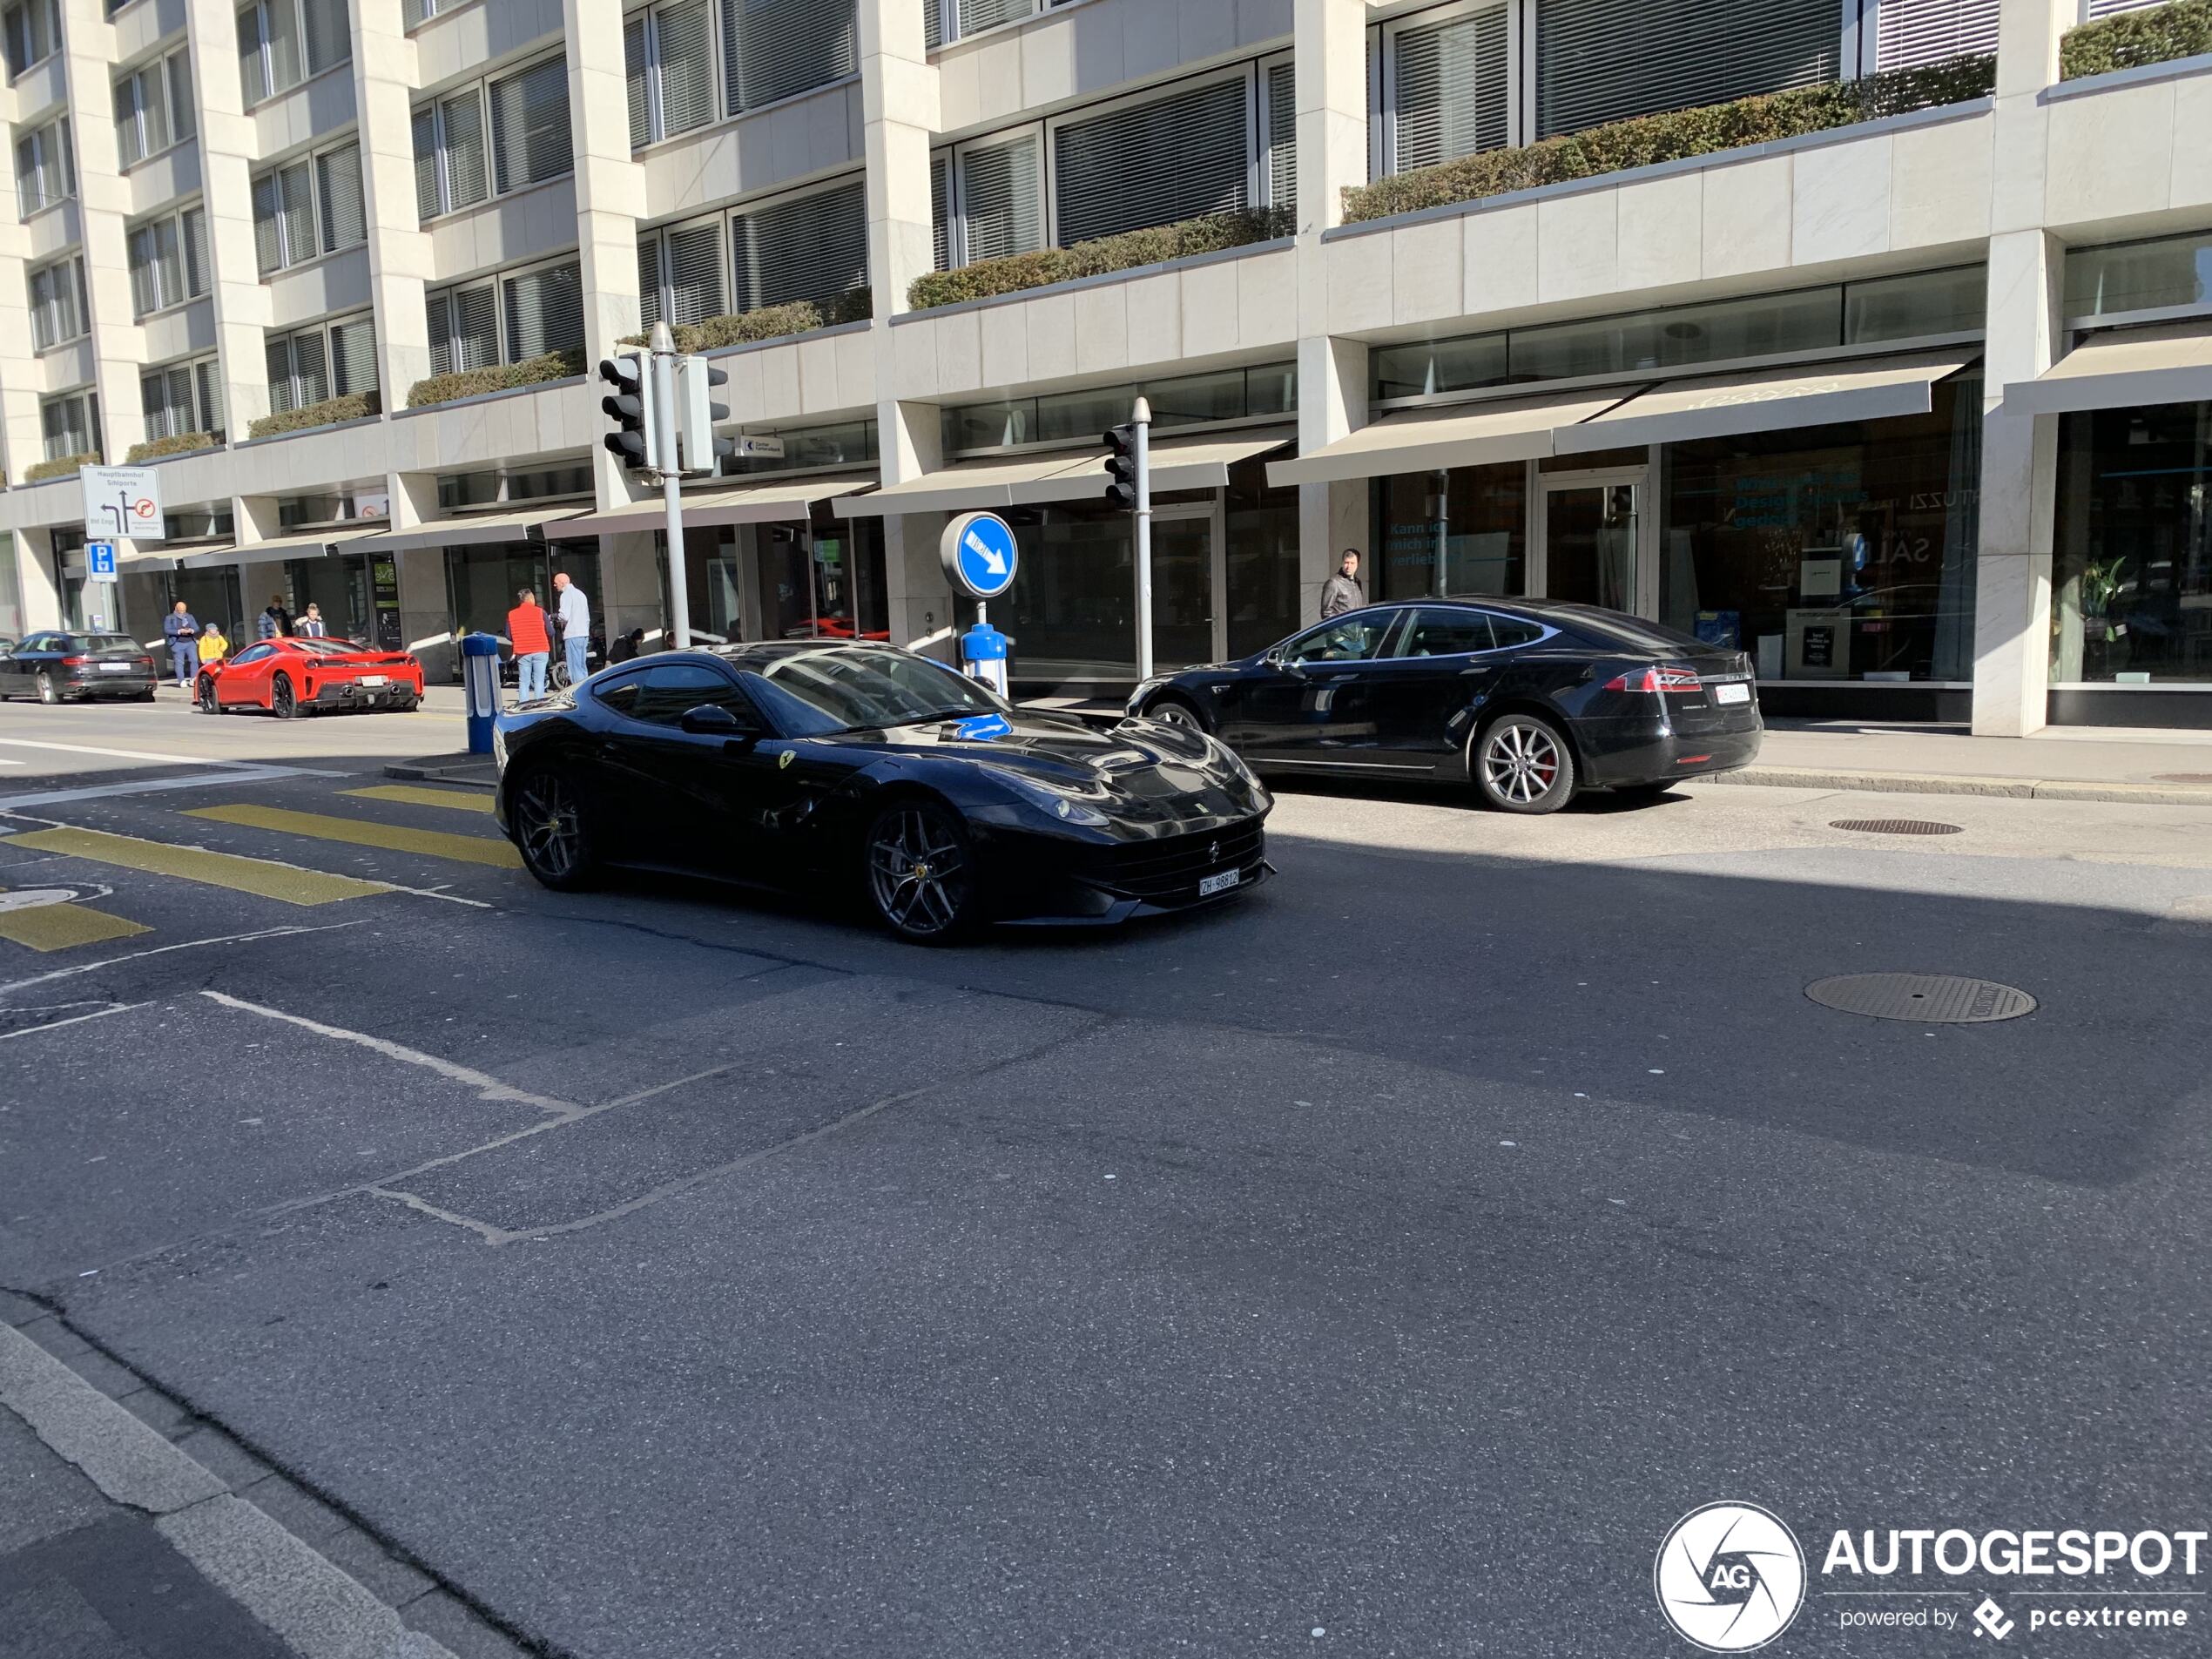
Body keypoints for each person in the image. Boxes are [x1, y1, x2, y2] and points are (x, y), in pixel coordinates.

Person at [506, 586, 552, 702]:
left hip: (522, 651)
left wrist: (519, 638)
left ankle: (523, 706)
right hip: (541, 649)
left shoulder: (512, 614)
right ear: (531, 599)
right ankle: (538, 705)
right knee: (539, 681)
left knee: (524, 681)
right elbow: (551, 632)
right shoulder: (541, 612)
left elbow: (508, 635)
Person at [551, 570, 590, 686]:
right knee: (582, 666)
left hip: (573, 634)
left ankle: (578, 692)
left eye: (555, 583)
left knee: (574, 667)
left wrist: (553, 617)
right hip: (583, 634)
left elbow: (564, 616)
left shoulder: (566, 594)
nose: (554, 585)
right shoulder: (581, 594)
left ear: (562, 583)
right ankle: (586, 688)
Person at [162, 601, 199, 687]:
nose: (182, 612)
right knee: (179, 663)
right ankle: (181, 680)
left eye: (184, 610)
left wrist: (191, 630)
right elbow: (167, 630)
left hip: (190, 642)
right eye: (180, 611)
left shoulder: (189, 617)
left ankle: (193, 679)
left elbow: (196, 627)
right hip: (178, 643)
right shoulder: (169, 618)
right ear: (176, 609)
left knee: (194, 660)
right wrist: (179, 631)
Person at [1319, 550, 1366, 620]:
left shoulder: (1357, 582)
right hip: (1342, 629)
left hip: (1357, 628)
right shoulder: (1334, 583)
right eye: (1346, 562)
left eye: (1352, 563)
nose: (1349, 566)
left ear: (1358, 564)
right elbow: (1326, 613)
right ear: (1342, 563)